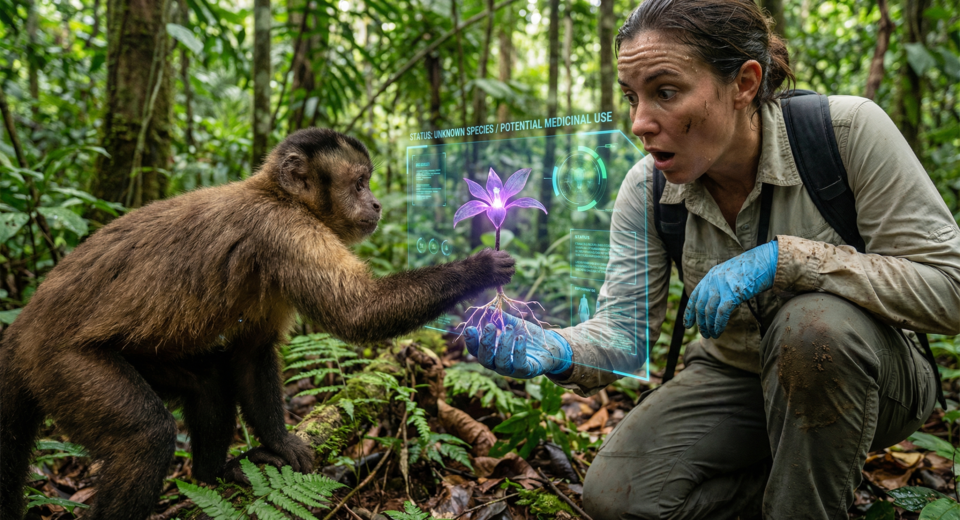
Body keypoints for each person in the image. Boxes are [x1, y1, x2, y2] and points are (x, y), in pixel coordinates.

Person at [463, 0, 960, 518]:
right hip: (736, 374)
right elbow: (625, 333)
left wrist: (788, 259)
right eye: (633, 97)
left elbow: (952, 289)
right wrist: (556, 349)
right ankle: (787, 486)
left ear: (744, 83)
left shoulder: (847, 133)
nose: (640, 123)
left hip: (876, 377)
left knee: (812, 324)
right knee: (618, 496)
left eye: (666, 92)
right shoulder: (648, 188)